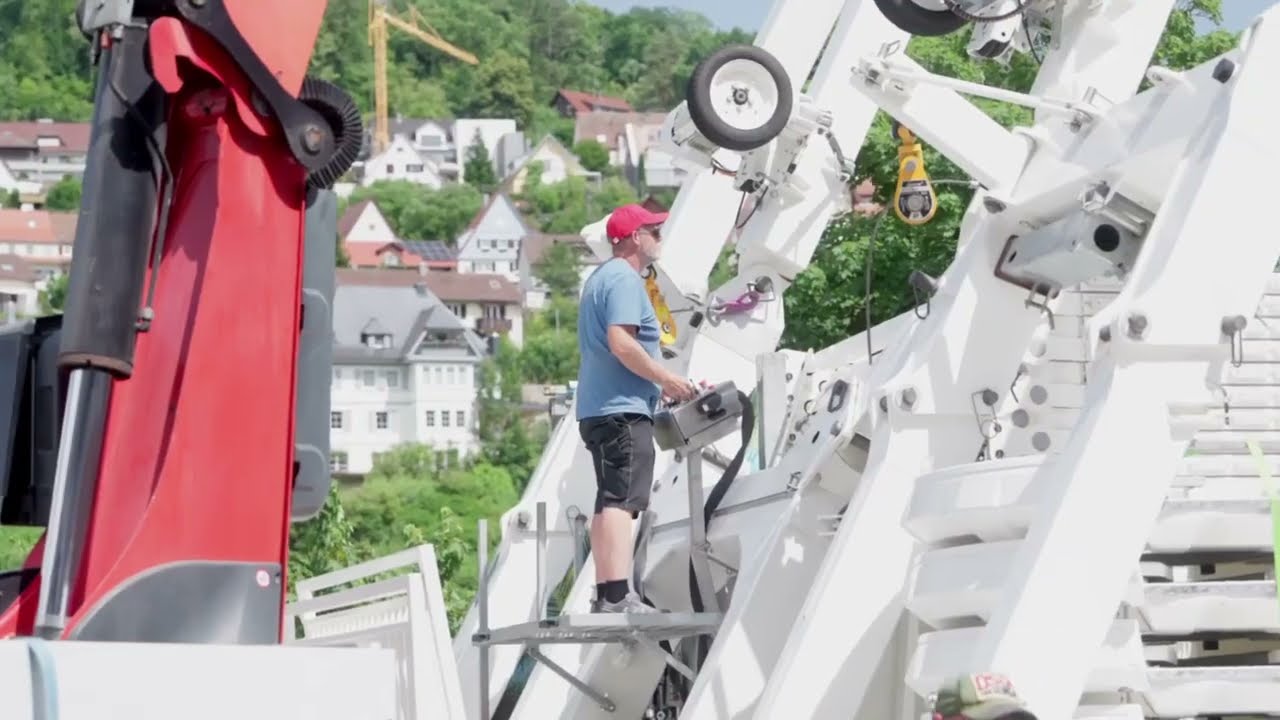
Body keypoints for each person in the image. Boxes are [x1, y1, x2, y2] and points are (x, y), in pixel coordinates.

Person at [577, 203, 698, 613]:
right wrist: (666, 379)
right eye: (655, 231)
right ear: (634, 238)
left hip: (598, 408)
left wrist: (653, 382)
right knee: (622, 502)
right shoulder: (625, 281)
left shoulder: (600, 280)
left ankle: (605, 592)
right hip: (623, 411)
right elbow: (622, 343)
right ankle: (617, 596)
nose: (659, 238)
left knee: (608, 500)